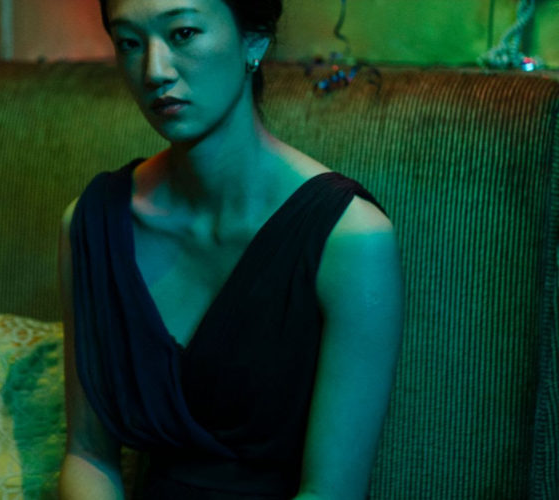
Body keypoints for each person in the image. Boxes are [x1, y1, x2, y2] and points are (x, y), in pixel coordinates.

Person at [57, 0, 405, 498]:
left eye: (182, 33)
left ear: (253, 38)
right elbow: (89, 454)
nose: (154, 71)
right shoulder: (95, 225)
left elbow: (332, 492)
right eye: (129, 43)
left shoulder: (350, 238)